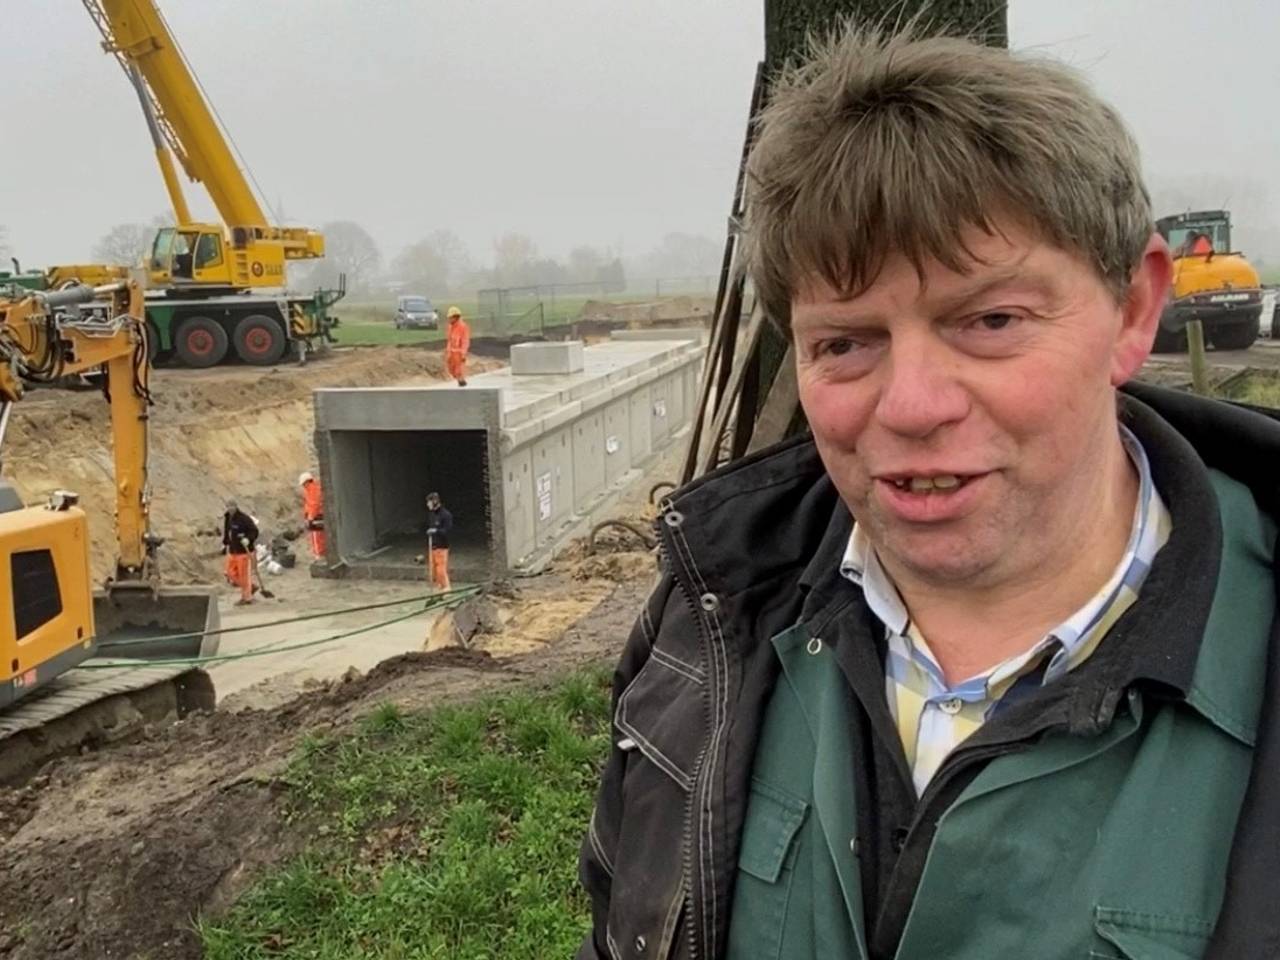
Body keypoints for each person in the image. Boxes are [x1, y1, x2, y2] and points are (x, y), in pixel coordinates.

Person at [577, 23, 1280, 960]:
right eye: (846, 343)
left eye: (990, 319)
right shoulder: (707, 617)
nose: (909, 406)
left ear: (1135, 309)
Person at [221, 499, 259, 606]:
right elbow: (227, 531)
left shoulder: (244, 519)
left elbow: (254, 531)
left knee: (244, 575)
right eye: (228, 506)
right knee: (229, 572)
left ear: (236, 507)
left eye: (232, 506)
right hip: (233, 550)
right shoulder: (228, 518)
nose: (230, 508)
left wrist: (248, 539)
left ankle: (246, 598)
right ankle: (250, 587)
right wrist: (225, 543)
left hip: (244, 552)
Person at [424, 491, 453, 590]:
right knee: (434, 569)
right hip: (433, 544)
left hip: (442, 545)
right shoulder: (431, 514)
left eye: (429, 502)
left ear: (435, 501)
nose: (428, 504)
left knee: (441, 568)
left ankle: (446, 587)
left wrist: (436, 531)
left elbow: (447, 530)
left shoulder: (446, 515)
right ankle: (439, 585)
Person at [298, 471, 325, 560]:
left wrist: (310, 517)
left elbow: (314, 504)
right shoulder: (314, 488)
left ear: (306, 482)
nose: (303, 487)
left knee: (316, 537)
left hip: (317, 517)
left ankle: (319, 556)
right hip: (318, 516)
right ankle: (320, 554)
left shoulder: (312, 490)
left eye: (303, 484)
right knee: (319, 537)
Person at [445, 305, 470, 386]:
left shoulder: (462, 327)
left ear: (455, 317)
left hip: (459, 353)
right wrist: (448, 352)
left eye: (450, 318)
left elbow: (465, 341)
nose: (449, 319)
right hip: (451, 353)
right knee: (451, 370)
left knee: (459, 371)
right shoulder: (450, 327)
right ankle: (460, 380)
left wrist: (463, 353)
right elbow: (449, 340)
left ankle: (462, 383)